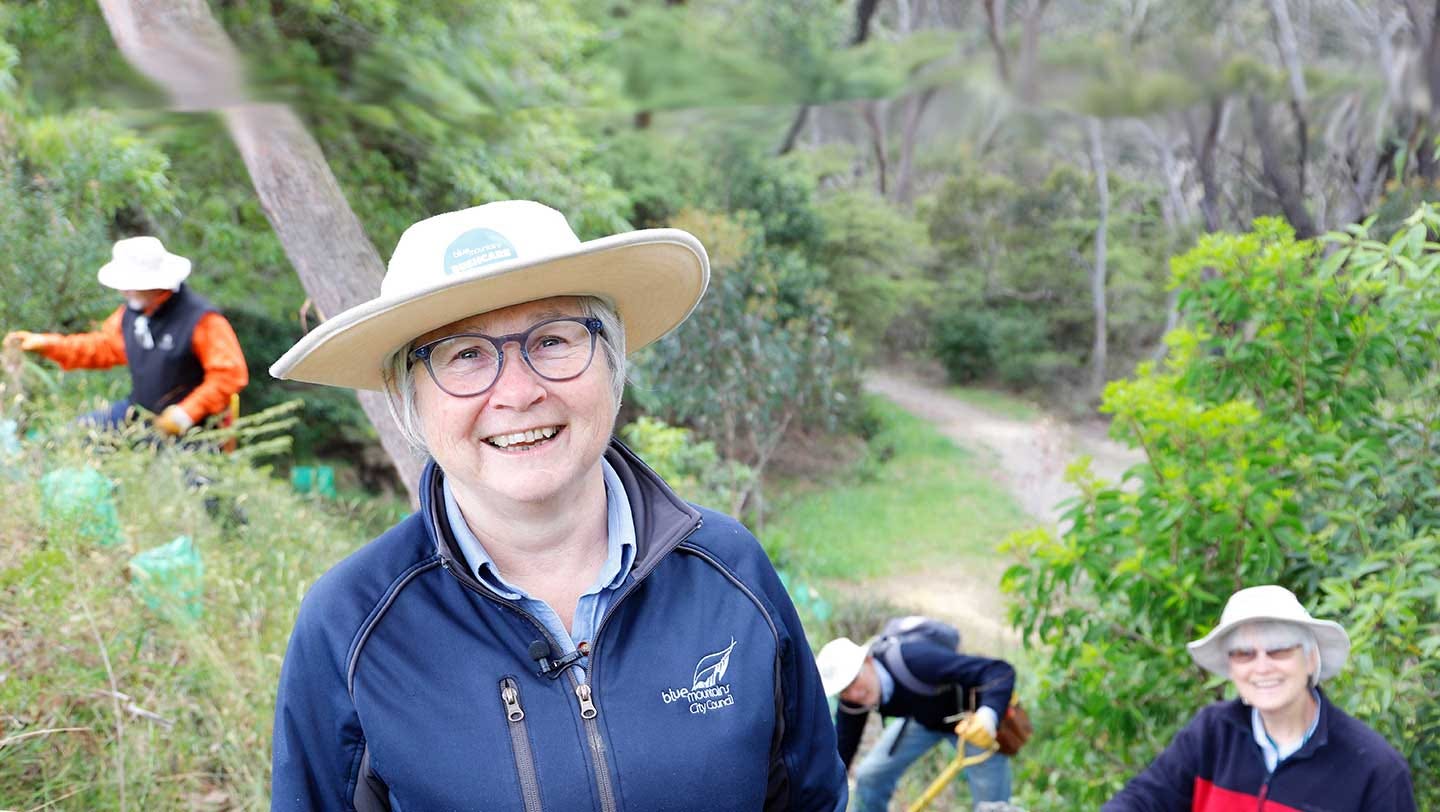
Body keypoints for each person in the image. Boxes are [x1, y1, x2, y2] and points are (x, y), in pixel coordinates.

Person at [267, 200, 847, 811]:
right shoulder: (351, 625)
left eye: (552, 340)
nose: (518, 393)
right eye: (463, 355)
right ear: (407, 398)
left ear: (612, 360)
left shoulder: (731, 573)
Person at [1103, 584, 1416, 811]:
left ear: (1310, 660)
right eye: (1244, 654)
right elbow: (1143, 800)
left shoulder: (1375, 770)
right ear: (1231, 667)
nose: (1262, 667)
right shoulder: (1212, 733)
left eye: (1279, 650)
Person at [3, 236, 248, 436]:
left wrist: (185, 414)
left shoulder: (202, 321)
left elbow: (229, 375)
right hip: (140, 410)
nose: (123, 290)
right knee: (73, 436)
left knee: (194, 490)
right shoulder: (131, 313)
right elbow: (103, 346)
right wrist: (46, 344)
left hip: (197, 427)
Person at [816, 631, 1016, 811]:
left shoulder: (916, 660)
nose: (854, 693)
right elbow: (843, 748)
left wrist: (988, 716)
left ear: (868, 660)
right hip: (924, 720)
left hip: (971, 722)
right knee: (870, 776)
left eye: (854, 681)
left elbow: (999, 671)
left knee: (992, 806)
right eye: (844, 690)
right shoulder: (853, 701)